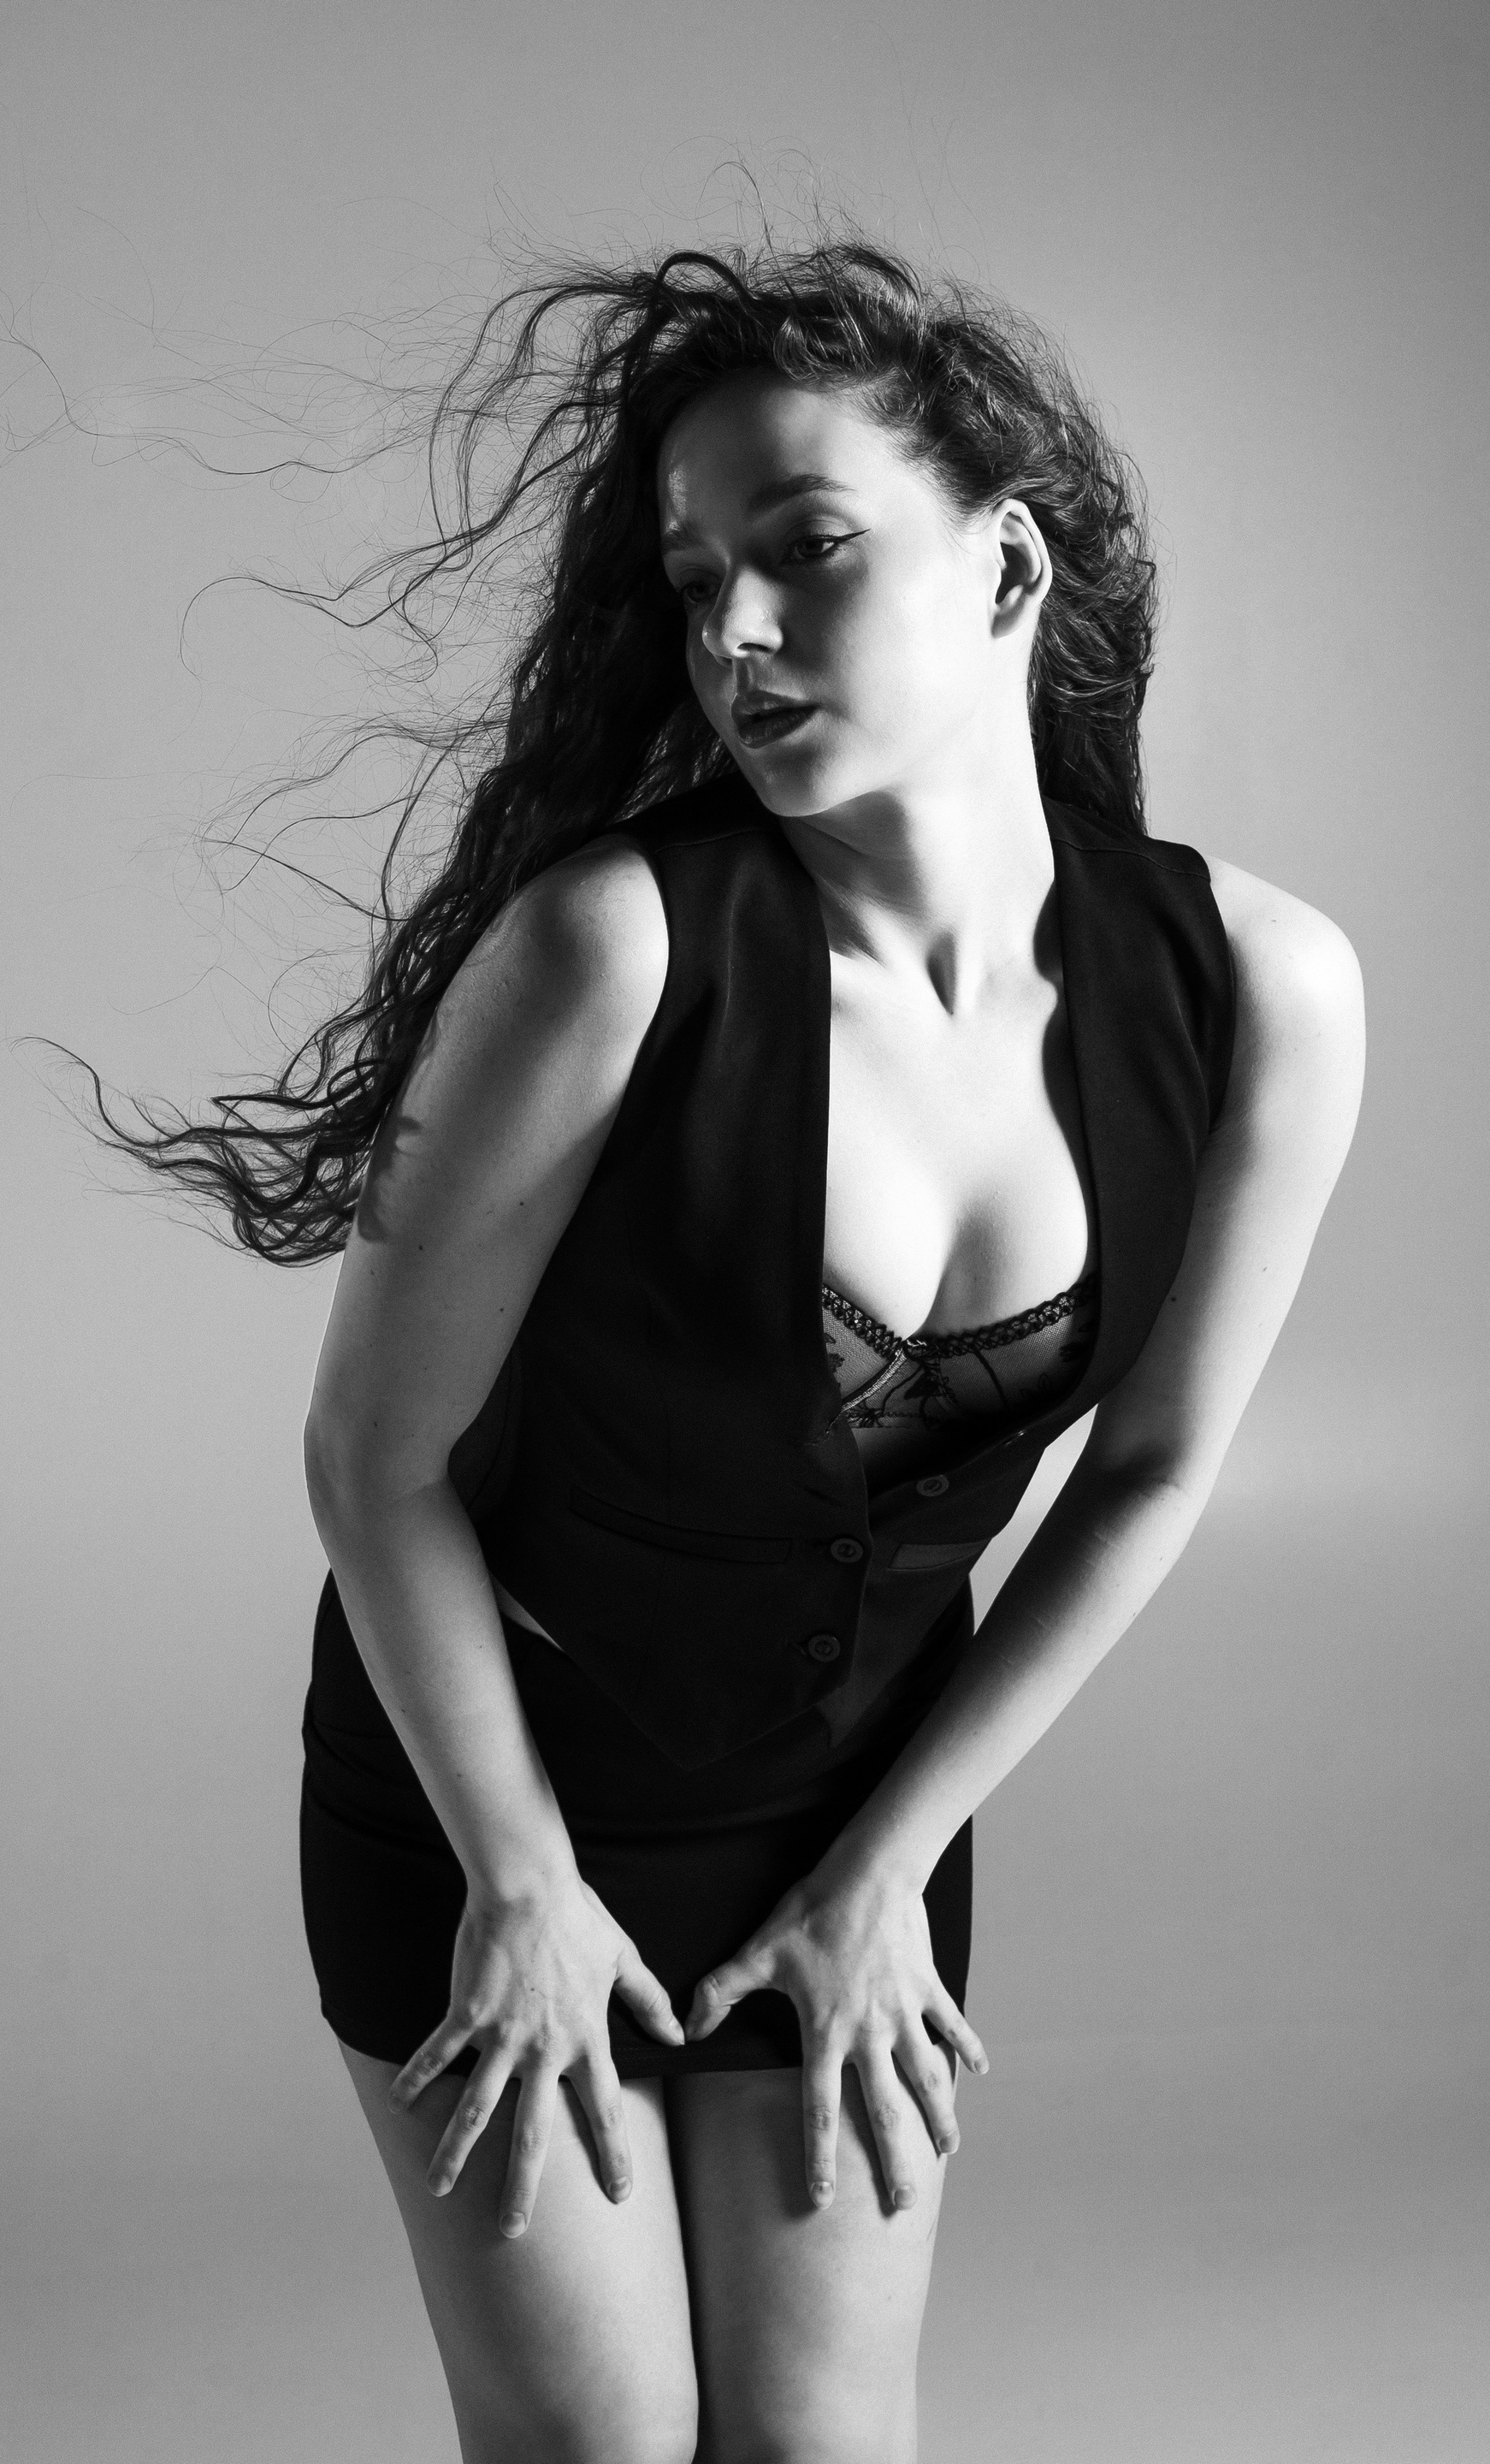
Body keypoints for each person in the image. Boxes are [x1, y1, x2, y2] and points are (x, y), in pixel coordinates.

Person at [110, 240, 1363, 2463]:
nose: (737, 632)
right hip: (492, 1801)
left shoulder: (1262, 991)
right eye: (699, 584)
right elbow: (373, 1461)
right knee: (598, 2452)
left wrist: (888, 1875)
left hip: (859, 1815)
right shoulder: (611, 951)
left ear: (1007, 566)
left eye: (807, 550)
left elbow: (1155, 1469)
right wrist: (519, 1884)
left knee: (817, 2449)